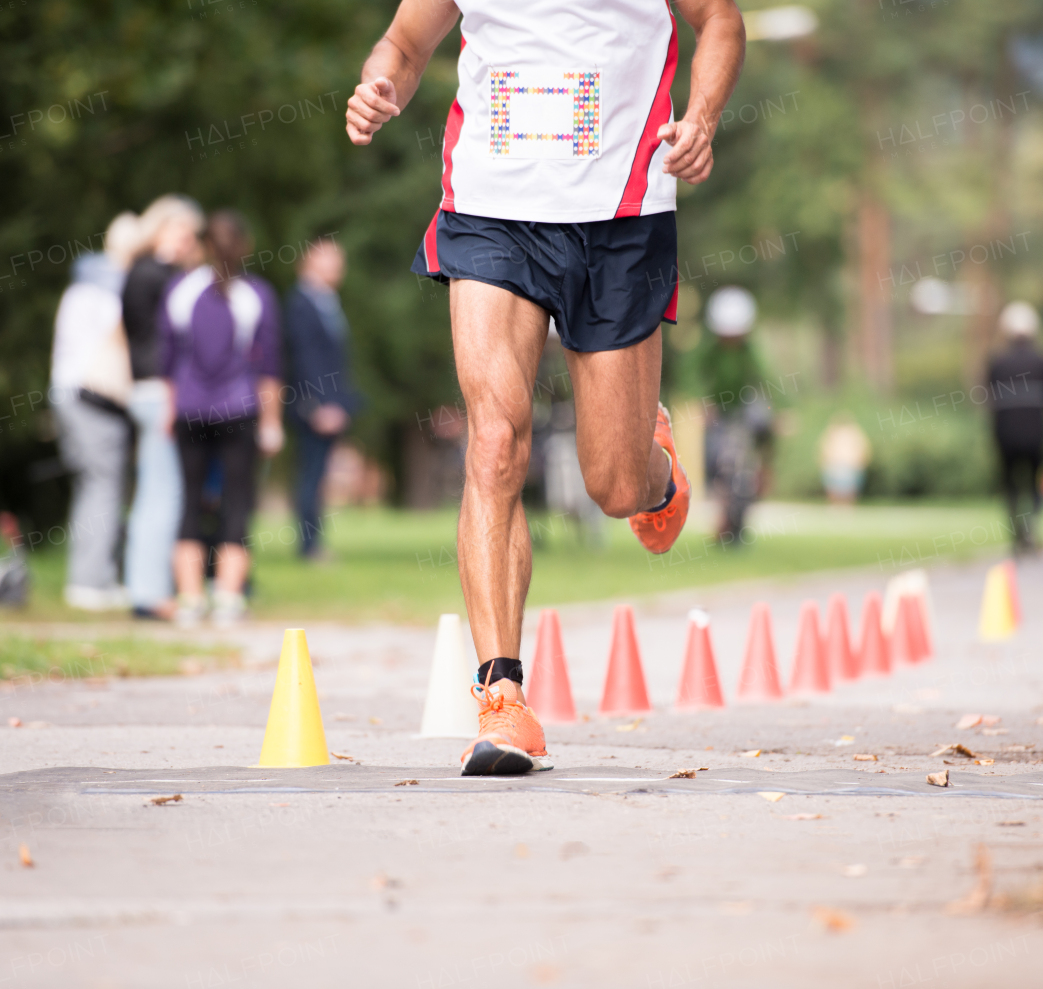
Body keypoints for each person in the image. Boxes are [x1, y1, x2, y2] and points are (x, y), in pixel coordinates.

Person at [346, 0, 745, 775]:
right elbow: (402, 42)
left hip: (621, 217)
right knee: (494, 440)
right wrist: (379, 85)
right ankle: (502, 697)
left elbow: (721, 20)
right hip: (492, 212)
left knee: (614, 483)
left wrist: (700, 120)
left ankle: (653, 466)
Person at [159, 210, 283, 627]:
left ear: (204, 245)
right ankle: (229, 598)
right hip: (238, 409)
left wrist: (167, 410)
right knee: (237, 503)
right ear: (243, 246)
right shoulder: (257, 294)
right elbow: (269, 366)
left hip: (189, 409)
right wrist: (272, 423)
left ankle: (191, 599)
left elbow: (167, 358)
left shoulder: (180, 289)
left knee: (189, 501)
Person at [49, 212, 142, 611]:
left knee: (92, 484)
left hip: (68, 393)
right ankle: (91, 581)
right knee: (103, 486)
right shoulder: (108, 290)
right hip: (93, 400)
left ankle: (91, 576)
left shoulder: (81, 286)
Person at [121, 195, 206, 619]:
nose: (187, 241)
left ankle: (146, 588)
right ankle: (151, 594)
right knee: (164, 493)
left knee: (155, 489)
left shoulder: (141, 272)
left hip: (147, 389)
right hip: (160, 392)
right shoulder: (158, 275)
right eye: (180, 232)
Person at [284, 239, 360, 560]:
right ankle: (309, 546)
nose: (338, 269)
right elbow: (305, 360)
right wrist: (318, 405)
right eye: (330, 261)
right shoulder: (302, 303)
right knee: (311, 476)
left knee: (318, 476)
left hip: (331, 403)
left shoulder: (328, 302)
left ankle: (313, 544)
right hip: (314, 406)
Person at [691, 286, 774, 543]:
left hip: (742, 415)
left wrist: (779, 410)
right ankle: (722, 519)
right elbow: (692, 374)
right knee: (718, 465)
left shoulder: (750, 350)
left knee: (743, 469)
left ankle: (761, 477)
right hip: (716, 417)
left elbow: (766, 376)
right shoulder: (707, 349)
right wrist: (700, 401)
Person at [986, 301, 1043, 554]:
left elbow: (989, 398)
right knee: (1036, 484)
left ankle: (1017, 534)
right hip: (1036, 433)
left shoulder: (997, 362)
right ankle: (1032, 527)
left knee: (1010, 485)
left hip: (1005, 435)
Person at [819, 414, 870, 503]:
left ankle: (847, 505)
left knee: (850, 490)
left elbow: (863, 452)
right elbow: (824, 452)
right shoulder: (832, 434)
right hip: (835, 468)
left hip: (851, 467)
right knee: (834, 489)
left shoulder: (855, 435)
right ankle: (836, 505)